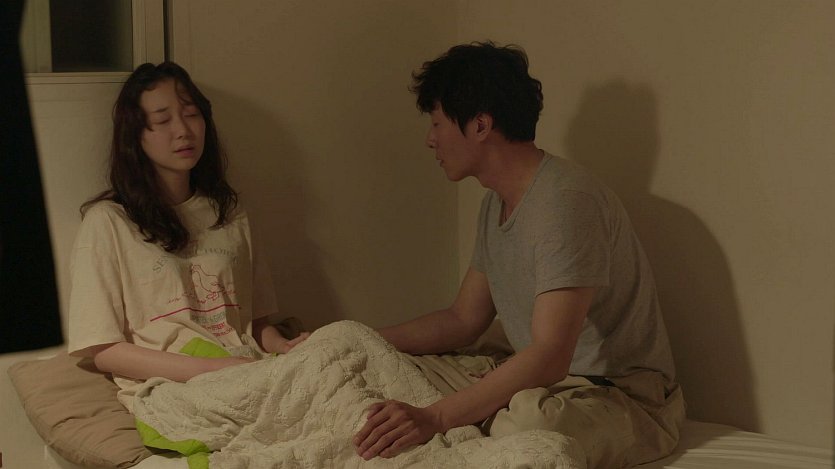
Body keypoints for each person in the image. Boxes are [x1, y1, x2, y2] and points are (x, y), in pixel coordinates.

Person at [353, 42, 685, 468]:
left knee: (528, 426)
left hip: (617, 396)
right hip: (546, 384)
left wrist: (436, 417)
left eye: (436, 123)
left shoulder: (566, 201)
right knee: (387, 372)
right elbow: (463, 320)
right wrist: (357, 337)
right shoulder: (495, 202)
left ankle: (486, 409)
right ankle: (484, 403)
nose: (430, 140)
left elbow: (550, 355)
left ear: (480, 125)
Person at [67, 62, 307, 410]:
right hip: (178, 384)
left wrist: (284, 347)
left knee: (349, 341)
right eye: (163, 120)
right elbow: (103, 350)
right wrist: (211, 369)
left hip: (248, 368)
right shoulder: (109, 223)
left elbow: (254, 324)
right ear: (135, 135)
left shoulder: (230, 213)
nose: (183, 130)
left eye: (192, 115)